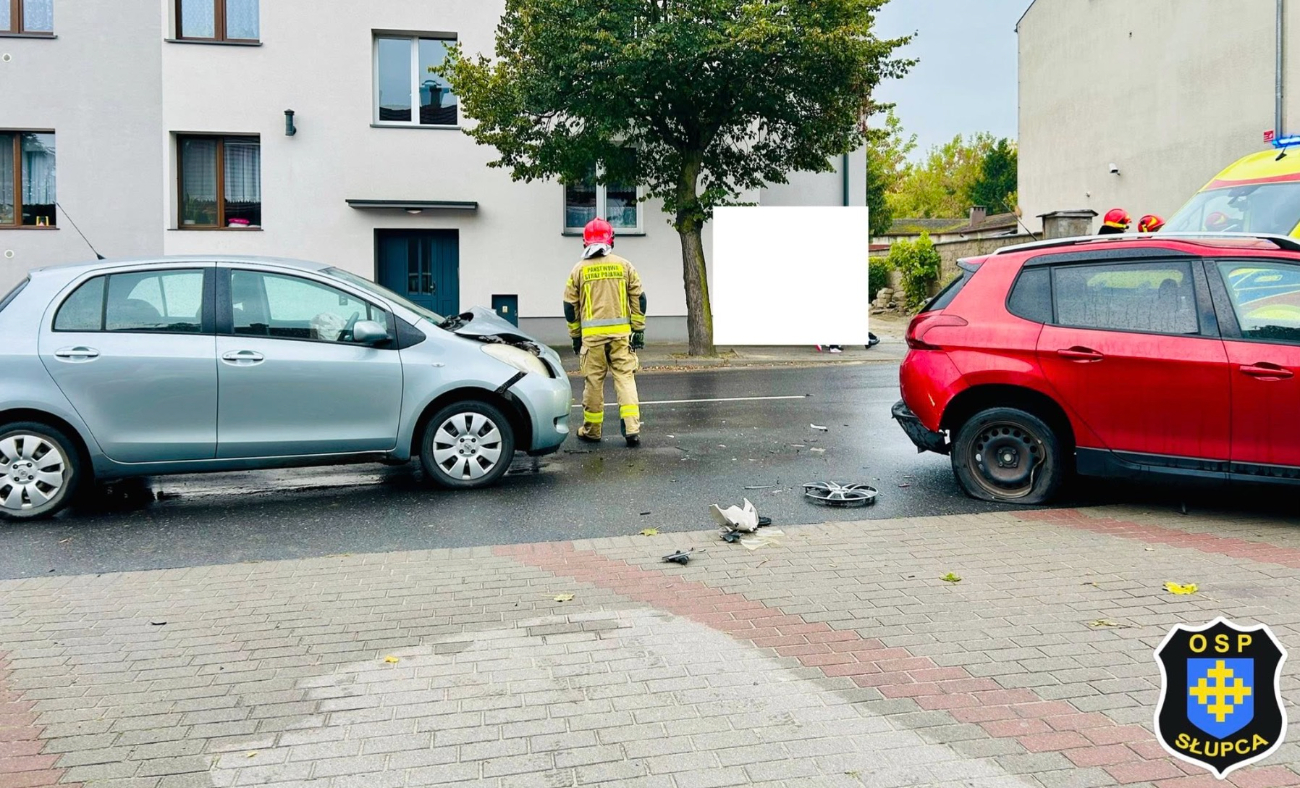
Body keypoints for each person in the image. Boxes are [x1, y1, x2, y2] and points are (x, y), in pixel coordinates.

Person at [563, 218, 647, 448]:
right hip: (621, 337)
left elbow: (570, 307)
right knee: (625, 379)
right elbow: (638, 298)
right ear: (611, 239)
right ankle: (632, 428)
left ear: (584, 242)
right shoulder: (624, 265)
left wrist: (575, 335)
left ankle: (592, 430)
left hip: (592, 340)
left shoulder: (579, 270)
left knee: (593, 383)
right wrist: (638, 329)